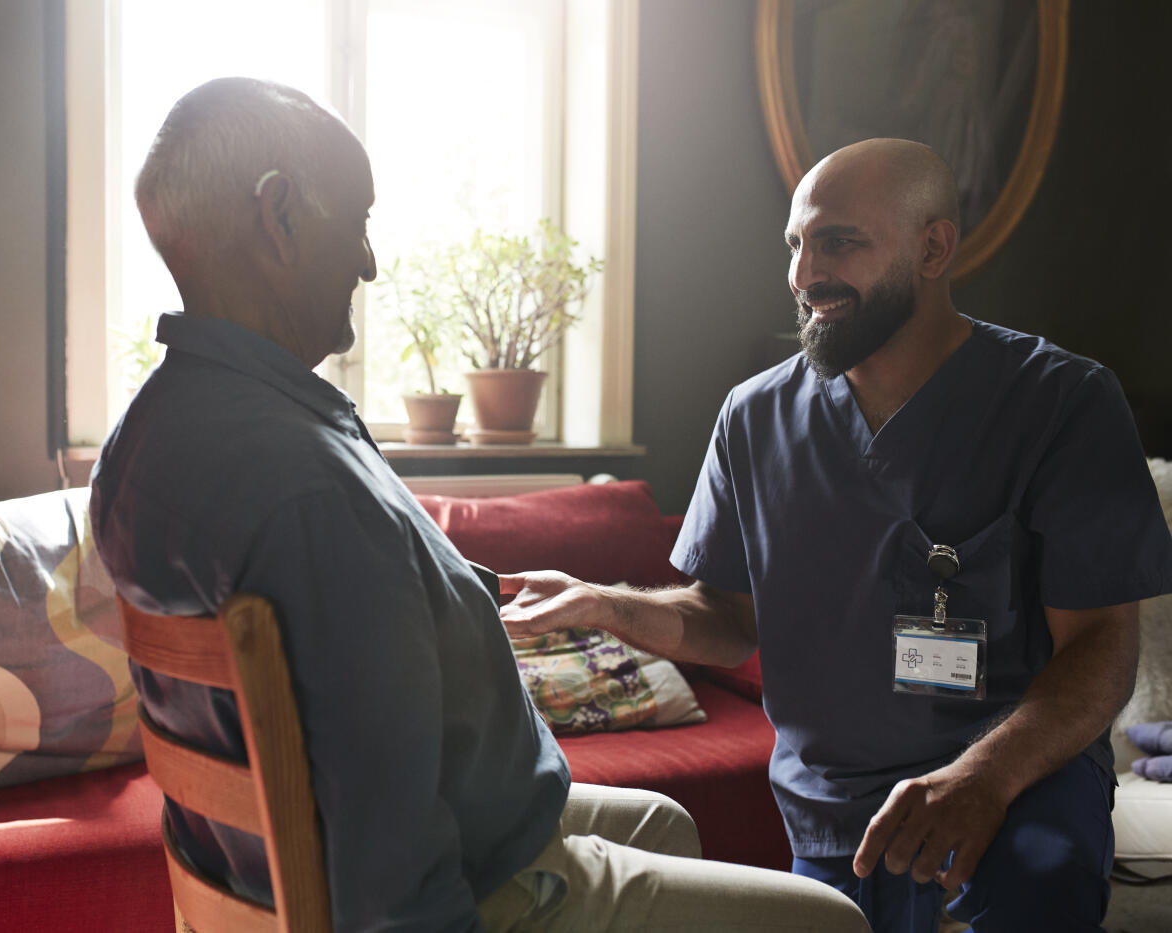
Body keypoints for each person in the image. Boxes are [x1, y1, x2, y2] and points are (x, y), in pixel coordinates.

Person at [90, 77, 868, 932]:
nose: (368, 261)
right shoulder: (308, 491)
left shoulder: (146, 437)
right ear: (277, 217)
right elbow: (386, 865)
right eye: (357, 222)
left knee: (666, 822)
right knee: (832, 920)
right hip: (451, 882)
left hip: (272, 854)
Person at [501, 138, 1172, 933]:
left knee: (1038, 890)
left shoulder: (1062, 404)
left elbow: (1101, 647)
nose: (803, 273)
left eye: (839, 241)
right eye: (796, 244)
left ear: (933, 247)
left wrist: (984, 778)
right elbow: (729, 619)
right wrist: (610, 606)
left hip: (1019, 789)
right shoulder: (754, 418)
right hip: (837, 816)